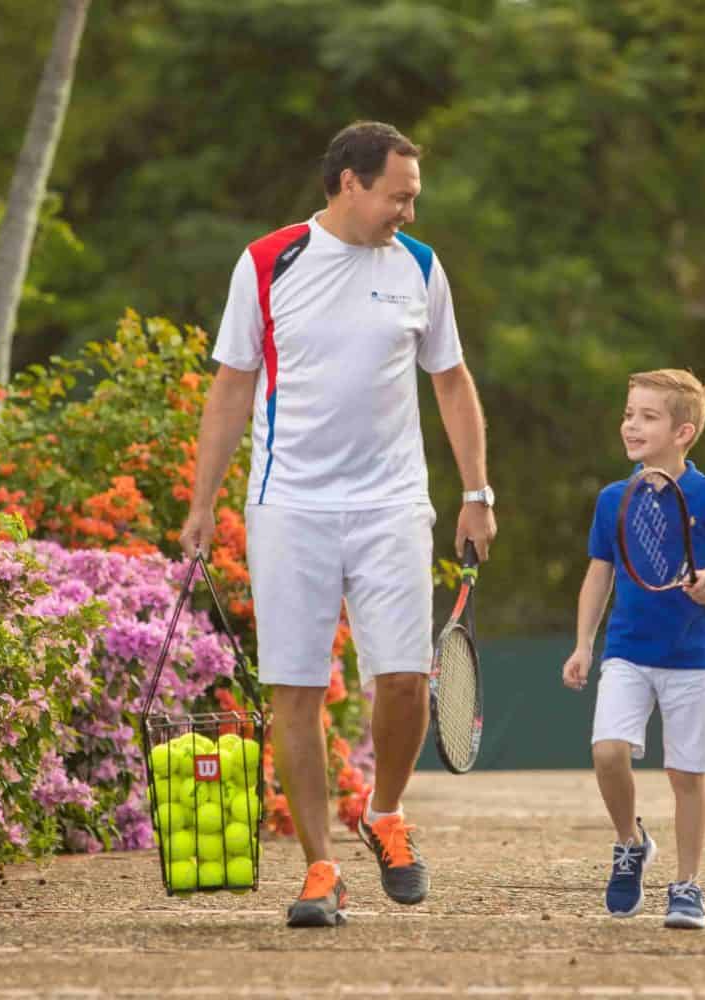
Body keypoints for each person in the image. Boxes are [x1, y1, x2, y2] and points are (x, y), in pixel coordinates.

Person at [178, 121, 497, 928]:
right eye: (400, 194)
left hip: (393, 502)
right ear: (349, 183)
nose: (410, 212)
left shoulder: (420, 268)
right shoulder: (266, 261)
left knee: (402, 678)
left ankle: (384, 813)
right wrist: (201, 501)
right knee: (295, 690)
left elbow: (452, 383)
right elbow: (230, 388)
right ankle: (320, 869)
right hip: (289, 505)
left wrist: (478, 492)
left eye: (414, 196)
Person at [560, 369, 705, 930]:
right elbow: (599, 576)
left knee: (687, 776)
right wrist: (583, 645)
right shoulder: (613, 498)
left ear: (683, 431)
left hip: (692, 659)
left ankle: (687, 886)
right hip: (626, 652)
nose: (631, 425)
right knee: (607, 753)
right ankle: (630, 842)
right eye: (628, 414)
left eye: (647, 416)